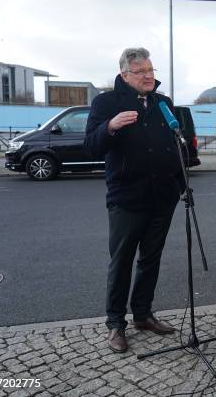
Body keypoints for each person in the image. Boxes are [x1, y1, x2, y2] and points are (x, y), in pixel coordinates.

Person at [85, 47, 186, 353]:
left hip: (162, 196)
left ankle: (143, 314)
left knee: (151, 259)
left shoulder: (162, 103)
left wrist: (180, 184)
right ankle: (116, 324)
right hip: (127, 197)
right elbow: (91, 146)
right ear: (125, 75)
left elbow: (176, 144)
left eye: (151, 70)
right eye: (141, 71)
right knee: (122, 262)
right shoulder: (106, 102)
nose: (149, 76)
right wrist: (110, 126)